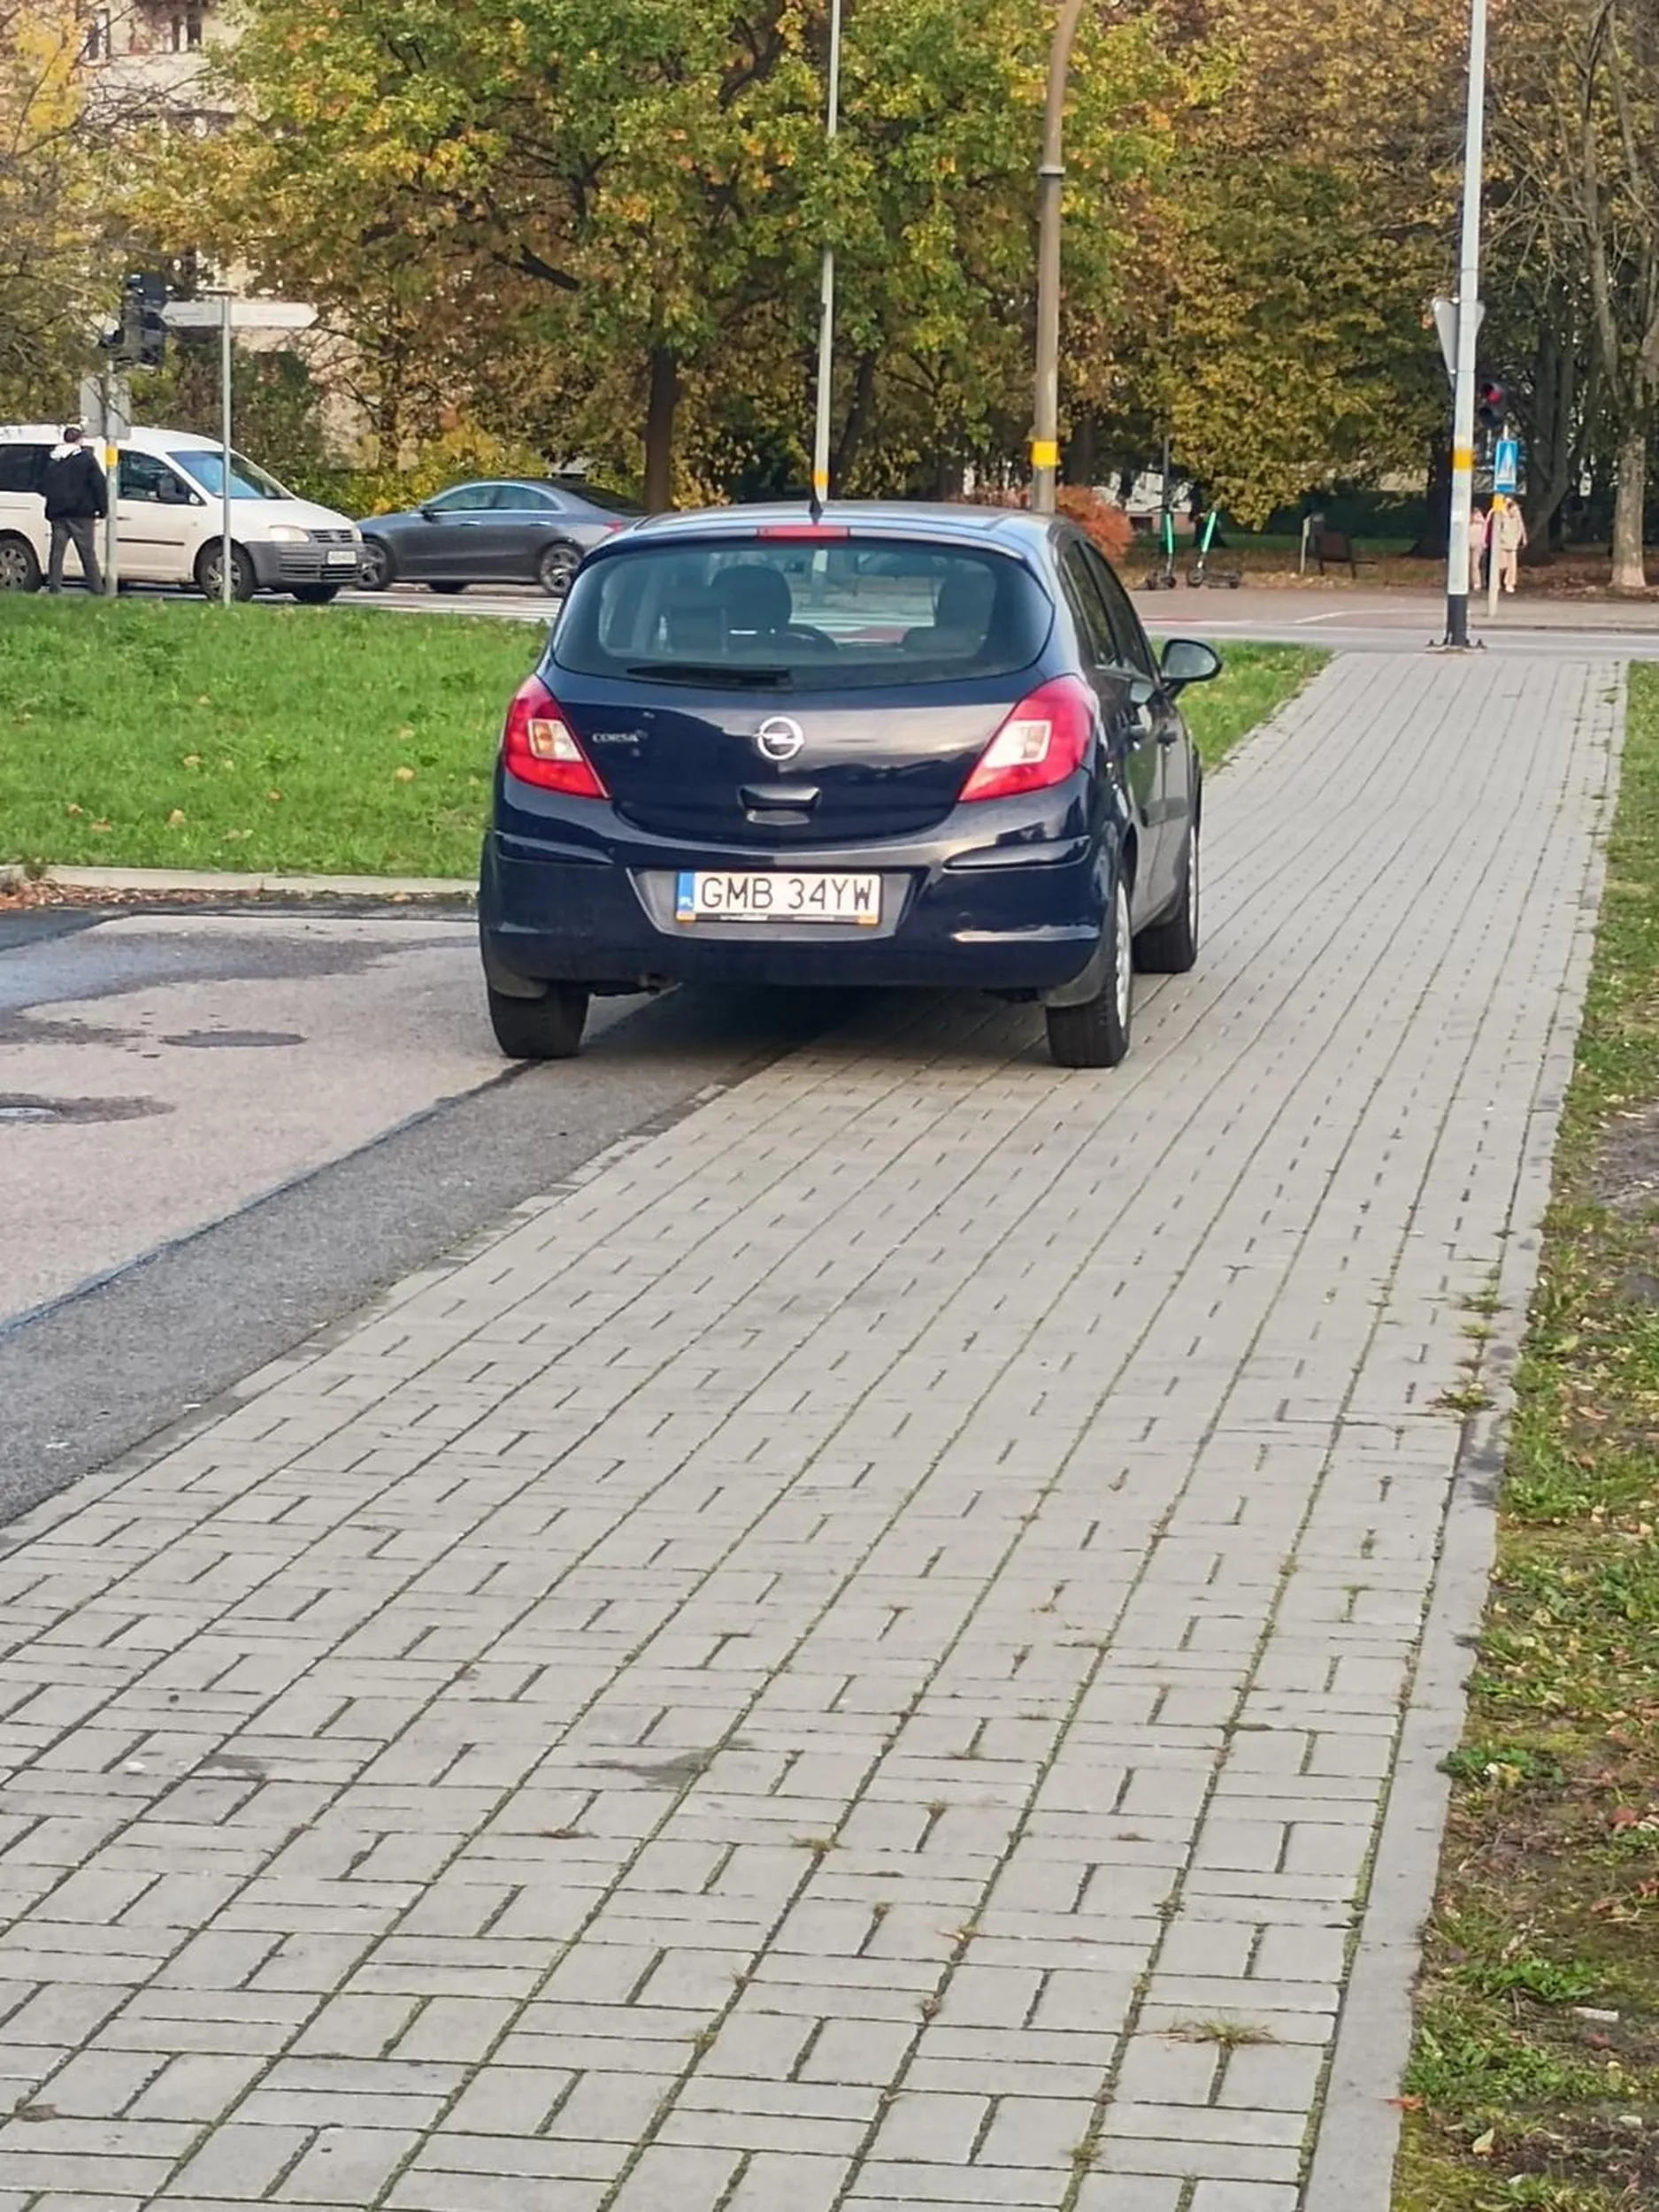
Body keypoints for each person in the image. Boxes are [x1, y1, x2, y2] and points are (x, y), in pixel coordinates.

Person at [41, 426, 107, 595]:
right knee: (87, 553)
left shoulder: (53, 459)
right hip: (82, 514)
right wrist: (102, 509)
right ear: (79, 440)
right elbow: (98, 484)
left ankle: (54, 587)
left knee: (57, 552)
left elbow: (42, 485)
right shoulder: (86, 459)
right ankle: (97, 589)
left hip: (58, 514)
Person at [1494, 498, 1528, 594]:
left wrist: (1523, 538)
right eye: (1513, 510)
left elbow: (1521, 526)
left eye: (1516, 510)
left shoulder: (1517, 516)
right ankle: (1496, 582)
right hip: (1503, 543)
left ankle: (1509, 583)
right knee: (1502, 565)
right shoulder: (1502, 515)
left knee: (1512, 566)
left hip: (1513, 543)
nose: (1515, 512)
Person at [1469, 504, 1488, 594]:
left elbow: (1484, 531)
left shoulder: (1482, 523)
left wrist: (1483, 542)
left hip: (1477, 545)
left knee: (1475, 565)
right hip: (1467, 544)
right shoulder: (1468, 522)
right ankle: (1468, 581)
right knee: (1466, 564)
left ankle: (1477, 583)